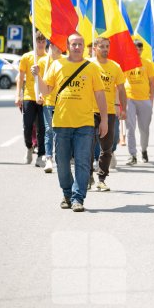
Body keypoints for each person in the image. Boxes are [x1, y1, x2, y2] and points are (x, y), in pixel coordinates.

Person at [41, 32, 108, 212]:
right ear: (67, 46)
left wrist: (104, 120)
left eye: (80, 44)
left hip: (85, 123)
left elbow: (100, 94)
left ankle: (78, 198)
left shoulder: (91, 67)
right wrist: (38, 76)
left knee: (82, 162)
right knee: (62, 162)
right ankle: (67, 193)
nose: (77, 47)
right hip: (61, 122)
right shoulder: (57, 65)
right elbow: (45, 92)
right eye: (73, 44)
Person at [90, 37, 127, 191]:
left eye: (107, 46)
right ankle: (87, 177)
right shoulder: (88, 65)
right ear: (95, 48)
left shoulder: (115, 67)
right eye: (102, 46)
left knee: (107, 148)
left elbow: (121, 89)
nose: (105, 49)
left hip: (109, 112)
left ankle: (101, 178)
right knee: (87, 147)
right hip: (89, 111)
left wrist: (123, 109)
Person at [16, 31, 48, 167]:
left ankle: (41, 155)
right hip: (29, 96)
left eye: (42, 41)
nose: (40, 44)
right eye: (38, 41)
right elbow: (20, 77)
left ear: (46, 43)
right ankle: (29, 147)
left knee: (42, 128)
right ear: (34, 42)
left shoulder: (48, 59)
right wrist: (18, 95)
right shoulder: (26, 57)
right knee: (27, 126)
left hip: (43, 98)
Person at [124, 41, 154, 165]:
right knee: (130, 128)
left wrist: (151, 99)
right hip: (129, 98)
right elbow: (120, 82)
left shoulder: (147, 64)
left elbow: (152, 83)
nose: (137, 51)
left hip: (144, 100)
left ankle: (144, 150)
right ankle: (132, 155)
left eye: (139, 49)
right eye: (135, 49)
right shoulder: (126, 63)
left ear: (142, 50)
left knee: (144, 129)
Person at [35, 43, 63, 173]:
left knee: (61, 131)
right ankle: (49, 159)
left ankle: (62, 157)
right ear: (49, 46)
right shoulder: (42, 61)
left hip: (63, 103)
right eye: (52, 45)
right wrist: (38, 95)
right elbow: (38, 81)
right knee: (49, 130)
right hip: (48, 101)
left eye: (57, 45)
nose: (55, 47)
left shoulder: (65, 61)